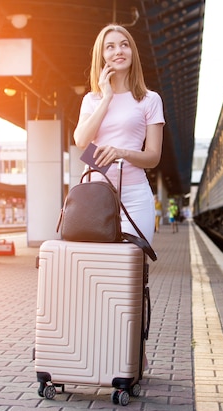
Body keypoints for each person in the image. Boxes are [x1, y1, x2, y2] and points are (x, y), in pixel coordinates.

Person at [73, 24, 165, 246]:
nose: (118, 51)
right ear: (102, 56)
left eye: (124, 45)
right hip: (96, 194)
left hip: (135, 196)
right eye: (110, 47)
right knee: (98, 270)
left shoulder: (150, 99)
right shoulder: (91, 99)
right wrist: (106, 98)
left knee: (130, 269)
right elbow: (81, 140)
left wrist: (121, 152)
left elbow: (153, 157)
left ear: (133, 51)